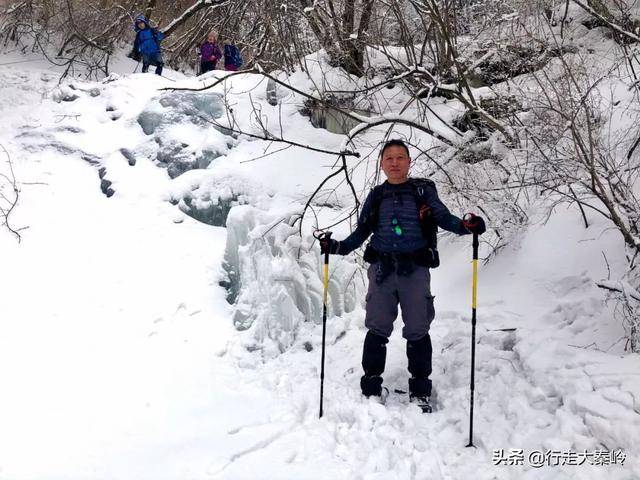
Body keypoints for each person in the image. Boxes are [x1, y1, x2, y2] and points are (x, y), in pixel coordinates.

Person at [319, 139, 486, 413]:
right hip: (383, 271)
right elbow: (361, 233)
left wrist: (467, 227)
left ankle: (420, 390)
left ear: (409, 162)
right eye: (389, 159)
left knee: (418, 327)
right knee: (377, 326)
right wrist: (337, 247)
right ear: (382, 164)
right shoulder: (376, 196)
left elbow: (443, 217)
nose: (394, 163)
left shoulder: (422, 191)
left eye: (400, 158)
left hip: (415, 269)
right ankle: (371, 385)